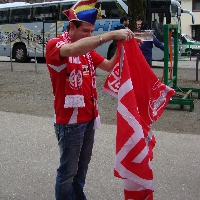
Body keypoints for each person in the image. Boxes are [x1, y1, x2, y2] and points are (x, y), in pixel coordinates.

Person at [45, 1, 142, 200]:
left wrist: (122, 46)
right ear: (72, 26)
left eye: (92, 32)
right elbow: (73, 50)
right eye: (86, 31)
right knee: (67, 172)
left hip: (89, 118)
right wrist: (112, 34)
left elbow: (108, 65)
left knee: (81, 170)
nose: (89, 35)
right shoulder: (55, 45)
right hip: (69, 123)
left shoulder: (86, 51)